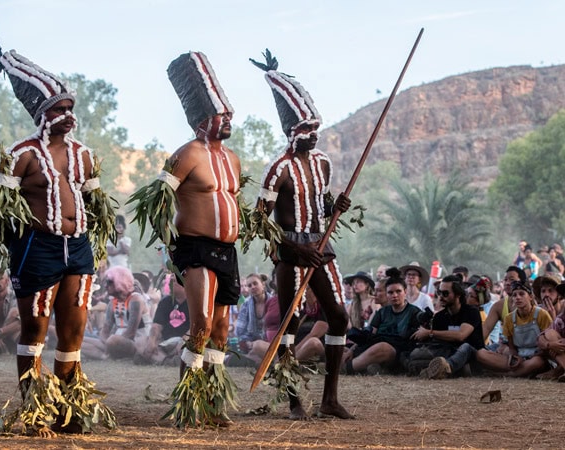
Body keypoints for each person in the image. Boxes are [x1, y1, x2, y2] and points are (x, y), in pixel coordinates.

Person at [0, 33, 116, 436]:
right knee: (35, 330)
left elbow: (95, 202)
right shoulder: (22, 154)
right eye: (60, 108)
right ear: (42, 112)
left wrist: (98, 239)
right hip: (37, 248)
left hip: (80, 248)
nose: (68, 115)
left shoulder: (84, 154)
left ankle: (68, 411)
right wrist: (12, 250)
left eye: (70, 107)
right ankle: (35, 409)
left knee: (73, 330)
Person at [131, 51, 240, 428]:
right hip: (194, 248)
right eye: (221, 114)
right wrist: (168, 248)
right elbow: (158, 200)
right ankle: (186, 404)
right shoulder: (188, 153)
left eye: (229, 113)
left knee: (222, 330)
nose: (228, 119)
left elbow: (230, 201)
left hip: (227, 251)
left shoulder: (233, 159)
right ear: (201, 120)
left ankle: (212, 404)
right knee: (201, 326)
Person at [251, 50, 353, 420]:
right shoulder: (276, 170)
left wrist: (335, 206)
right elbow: (258, 222)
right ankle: (294, 400)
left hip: (321, 246)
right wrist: (291, 248)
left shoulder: (323, 162)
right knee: (289, 326)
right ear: (289, 132)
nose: (311, 136)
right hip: (290, 252)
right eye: (304, 130)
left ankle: (330, 398)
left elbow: (320, 206)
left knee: (339, 317)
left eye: (314, 129)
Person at [343, 268, 420, 375]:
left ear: (405, 292)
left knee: (383, 347)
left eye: (398, 291)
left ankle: (345, 368)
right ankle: (371, 367)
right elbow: (370, 334)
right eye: (390, 292)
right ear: (387, 295)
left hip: (398, 352)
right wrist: (352, 350)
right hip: (375, 347)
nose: (395, 295)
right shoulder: (382, 312)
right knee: (345, 349)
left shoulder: (414, 312)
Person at [412, 274, 485, 379]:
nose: (441, 296)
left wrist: (430, 332)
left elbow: (461, 335)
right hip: (450, 352)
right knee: (416, 354)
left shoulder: (471, 312)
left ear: (458, 294)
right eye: (439, 292)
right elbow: (439, 342)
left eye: (445, 293)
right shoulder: (439, 317)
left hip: (472, 355)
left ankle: (446, 368)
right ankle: (442, 368)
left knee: (466, 347)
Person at [476, 281, 552, 377]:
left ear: (531, 297)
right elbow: (511, 347)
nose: (518, 298)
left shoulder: (541, 314)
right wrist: (515, 357)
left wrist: (534, 356)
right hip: (520, 357)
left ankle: (505, 374)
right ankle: (521, 371)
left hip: (537, 356)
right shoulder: (509, 319)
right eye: (514, 295)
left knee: (536, 363)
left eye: (521, 294)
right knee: (480, 354)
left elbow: (547, 344)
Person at [82, 266, 148, 360]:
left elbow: (130, 333)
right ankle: (105, 357)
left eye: (109, 283)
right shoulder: (112, 303)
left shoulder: (135, 300)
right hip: (114, 342)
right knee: (76, 341)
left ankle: (108, 353)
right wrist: (107, 342)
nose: (105, 286)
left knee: (113, 340)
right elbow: (105, 331)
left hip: (137, 342)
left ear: (120, 282)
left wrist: (110, 343)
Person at [135, 276, 189, 366]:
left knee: (190, 349)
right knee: (141, 342)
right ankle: (168, 361)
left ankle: (160, 360)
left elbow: (197, 328)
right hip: (164, 342)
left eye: (174, 282)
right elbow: (157, 325)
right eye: (169, 281)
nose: (169, 284)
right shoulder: (165, 301)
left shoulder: (195, 303)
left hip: (183, 342)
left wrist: (184, 342)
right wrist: (151, 341)